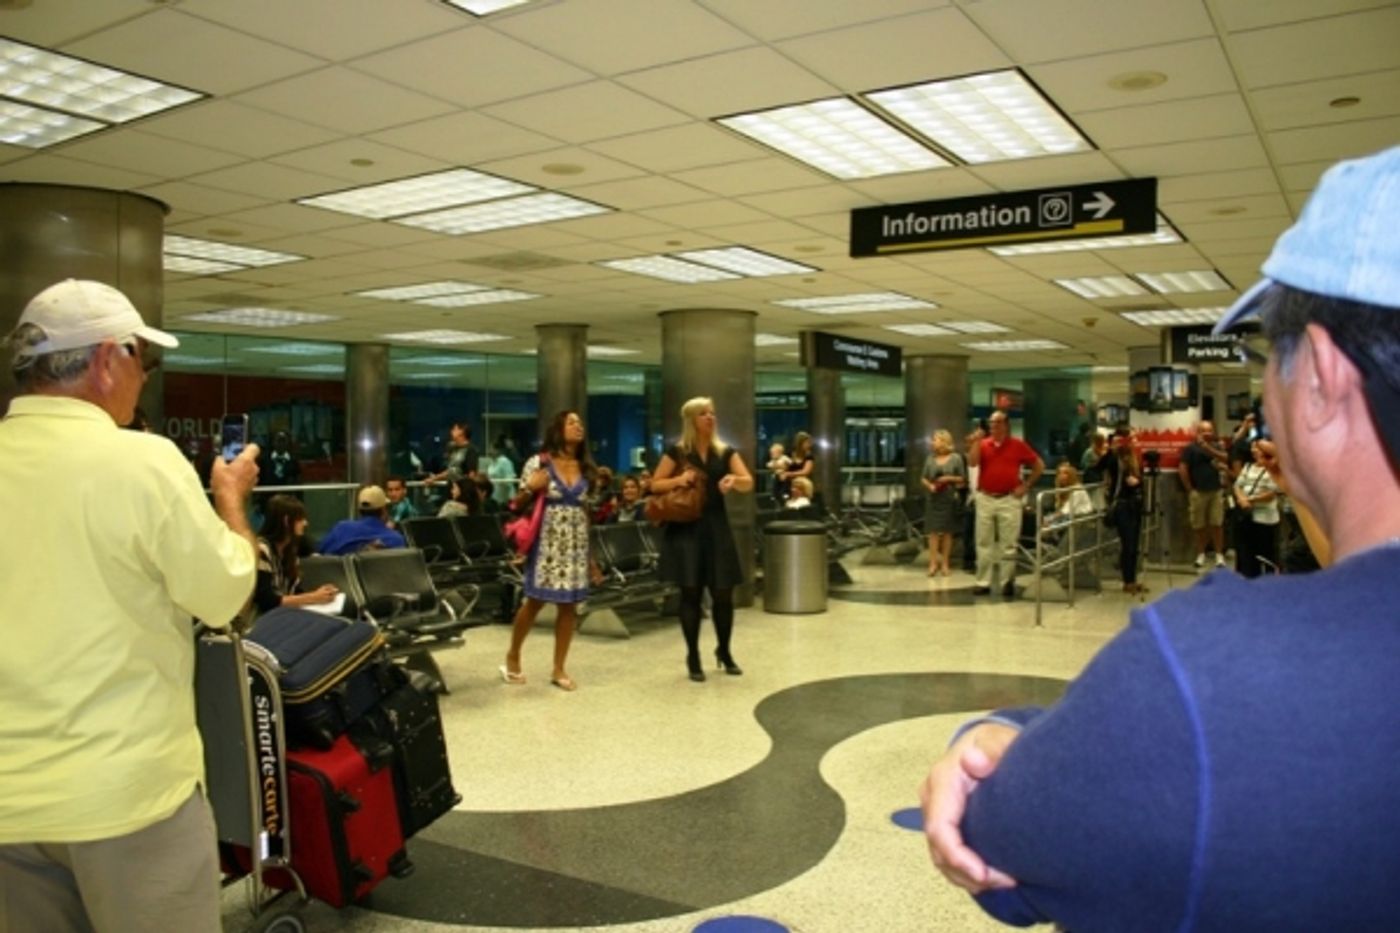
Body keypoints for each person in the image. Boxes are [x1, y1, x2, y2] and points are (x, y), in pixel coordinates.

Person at [919, 144, 1400, 932]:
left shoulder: (1208, 667)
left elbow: (1001, 838)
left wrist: (989, 733)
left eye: (1264, 356)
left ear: (1320, 375)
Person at [0, 279, 259, 932]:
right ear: (106, 358)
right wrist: (230, 500)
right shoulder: (141, 462)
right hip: (127, 797)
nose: (142, 378)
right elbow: (225, 592)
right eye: (143, 361)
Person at [653, 396, 754, 682]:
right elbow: (655, 484)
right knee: (691, 593)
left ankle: (724, 649)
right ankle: (693, 655)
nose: (711, 418)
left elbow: (748, 481)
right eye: (704, 414)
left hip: (716, 526)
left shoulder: (725, 452)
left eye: (712, 413)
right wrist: (678, 481)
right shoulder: (677, 452)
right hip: (686, 528)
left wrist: (734, 481)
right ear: (691, 420)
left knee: (723, 593)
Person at [501, 411, 596, 692]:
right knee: (534, 602)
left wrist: (591, 557)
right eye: (571, 422)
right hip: (547, 543)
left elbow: (586, 511)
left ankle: (559, 667)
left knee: (569, 607)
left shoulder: (586, 467)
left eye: (581, 422)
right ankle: (513, 654)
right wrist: (530, 488)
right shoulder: (539, 462)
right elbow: (515, 505)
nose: (578, 426)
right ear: (558, 429)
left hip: (575, 544)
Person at [968, 412, 1044, 598]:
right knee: (983, 541)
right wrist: (976, 443)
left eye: (997, 422)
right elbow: (972, 462)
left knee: (1008, 542)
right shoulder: (984, 444)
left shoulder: (1017, 445)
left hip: (1009, 498)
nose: (993, 426)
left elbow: (1039, 465)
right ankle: (982, 581)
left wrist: (1025, 486)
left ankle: (1007, 581)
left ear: (1006, 425)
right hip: (986, 496)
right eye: (991, 422)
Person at [253, 494, 338, 613]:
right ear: (287, 521)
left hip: (287, 615)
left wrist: (321, 595)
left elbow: (294, 591)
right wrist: (313, 597)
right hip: (267, 619)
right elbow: (267, 601)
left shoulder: (290, 550)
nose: (305, 523)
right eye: (300, 519)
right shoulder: (262, 550)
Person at [1178, 420, 1230, 570]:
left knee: (1217, 523)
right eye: (1204, 431)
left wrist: (1207, 447)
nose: (1207, 433)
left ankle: (1219, 554)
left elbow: (1225, 458)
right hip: (1198, 491)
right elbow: (1183, 468)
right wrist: (1190, 489)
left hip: (1216, 490)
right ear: (1198, 432)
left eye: (1210, 430)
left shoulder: (1218, 446)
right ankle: (1201, 554)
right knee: (1199, 525)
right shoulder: (1190, 449)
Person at [1232, 438, 1282, 578]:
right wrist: (1241, 498)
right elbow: (1237, 485)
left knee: (1267, 554)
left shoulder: (1274, 469)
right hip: (1247, 518)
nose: (1254, 450)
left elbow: (1273, 493)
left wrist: (1250, 500)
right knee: (1247, 553)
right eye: (1253, 447)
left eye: (1257, 448)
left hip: (1266, 519)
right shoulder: (1248, 467)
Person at [921, 429, 967, 577]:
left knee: (947, 532)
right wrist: (930, 486)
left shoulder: (956, 458)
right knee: (933, 532)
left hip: (948, 498)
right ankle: (933, 563)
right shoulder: (930, 458)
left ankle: (945, 563)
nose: (933, 442)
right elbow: (923, 477)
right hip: (933, 498)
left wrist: (948, 479)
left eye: (936, 439)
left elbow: (962, 479)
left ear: (944, 441)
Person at [317, 485, 407, 555]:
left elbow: (319, 552)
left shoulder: (340, 529)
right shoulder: (396, 539)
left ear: (359, 511)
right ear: (384, 510)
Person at [429, 420, 479, 487]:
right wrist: (434, 478)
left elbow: (472, 474)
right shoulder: (453, 448)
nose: (451, 431)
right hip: (451, 488)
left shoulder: (471, 450)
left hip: (463, 489)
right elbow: (450, 471)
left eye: (455, 429)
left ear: (462, 431)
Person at [778, 431, 814, 503]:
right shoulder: (790, 454)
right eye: (806, 443)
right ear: (800, 443)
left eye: (809, 443)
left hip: (802, 484)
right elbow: (783, 467)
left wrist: (789, 474)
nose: (808, 445)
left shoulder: (809, 456)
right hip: (789, 484)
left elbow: (805, 472)